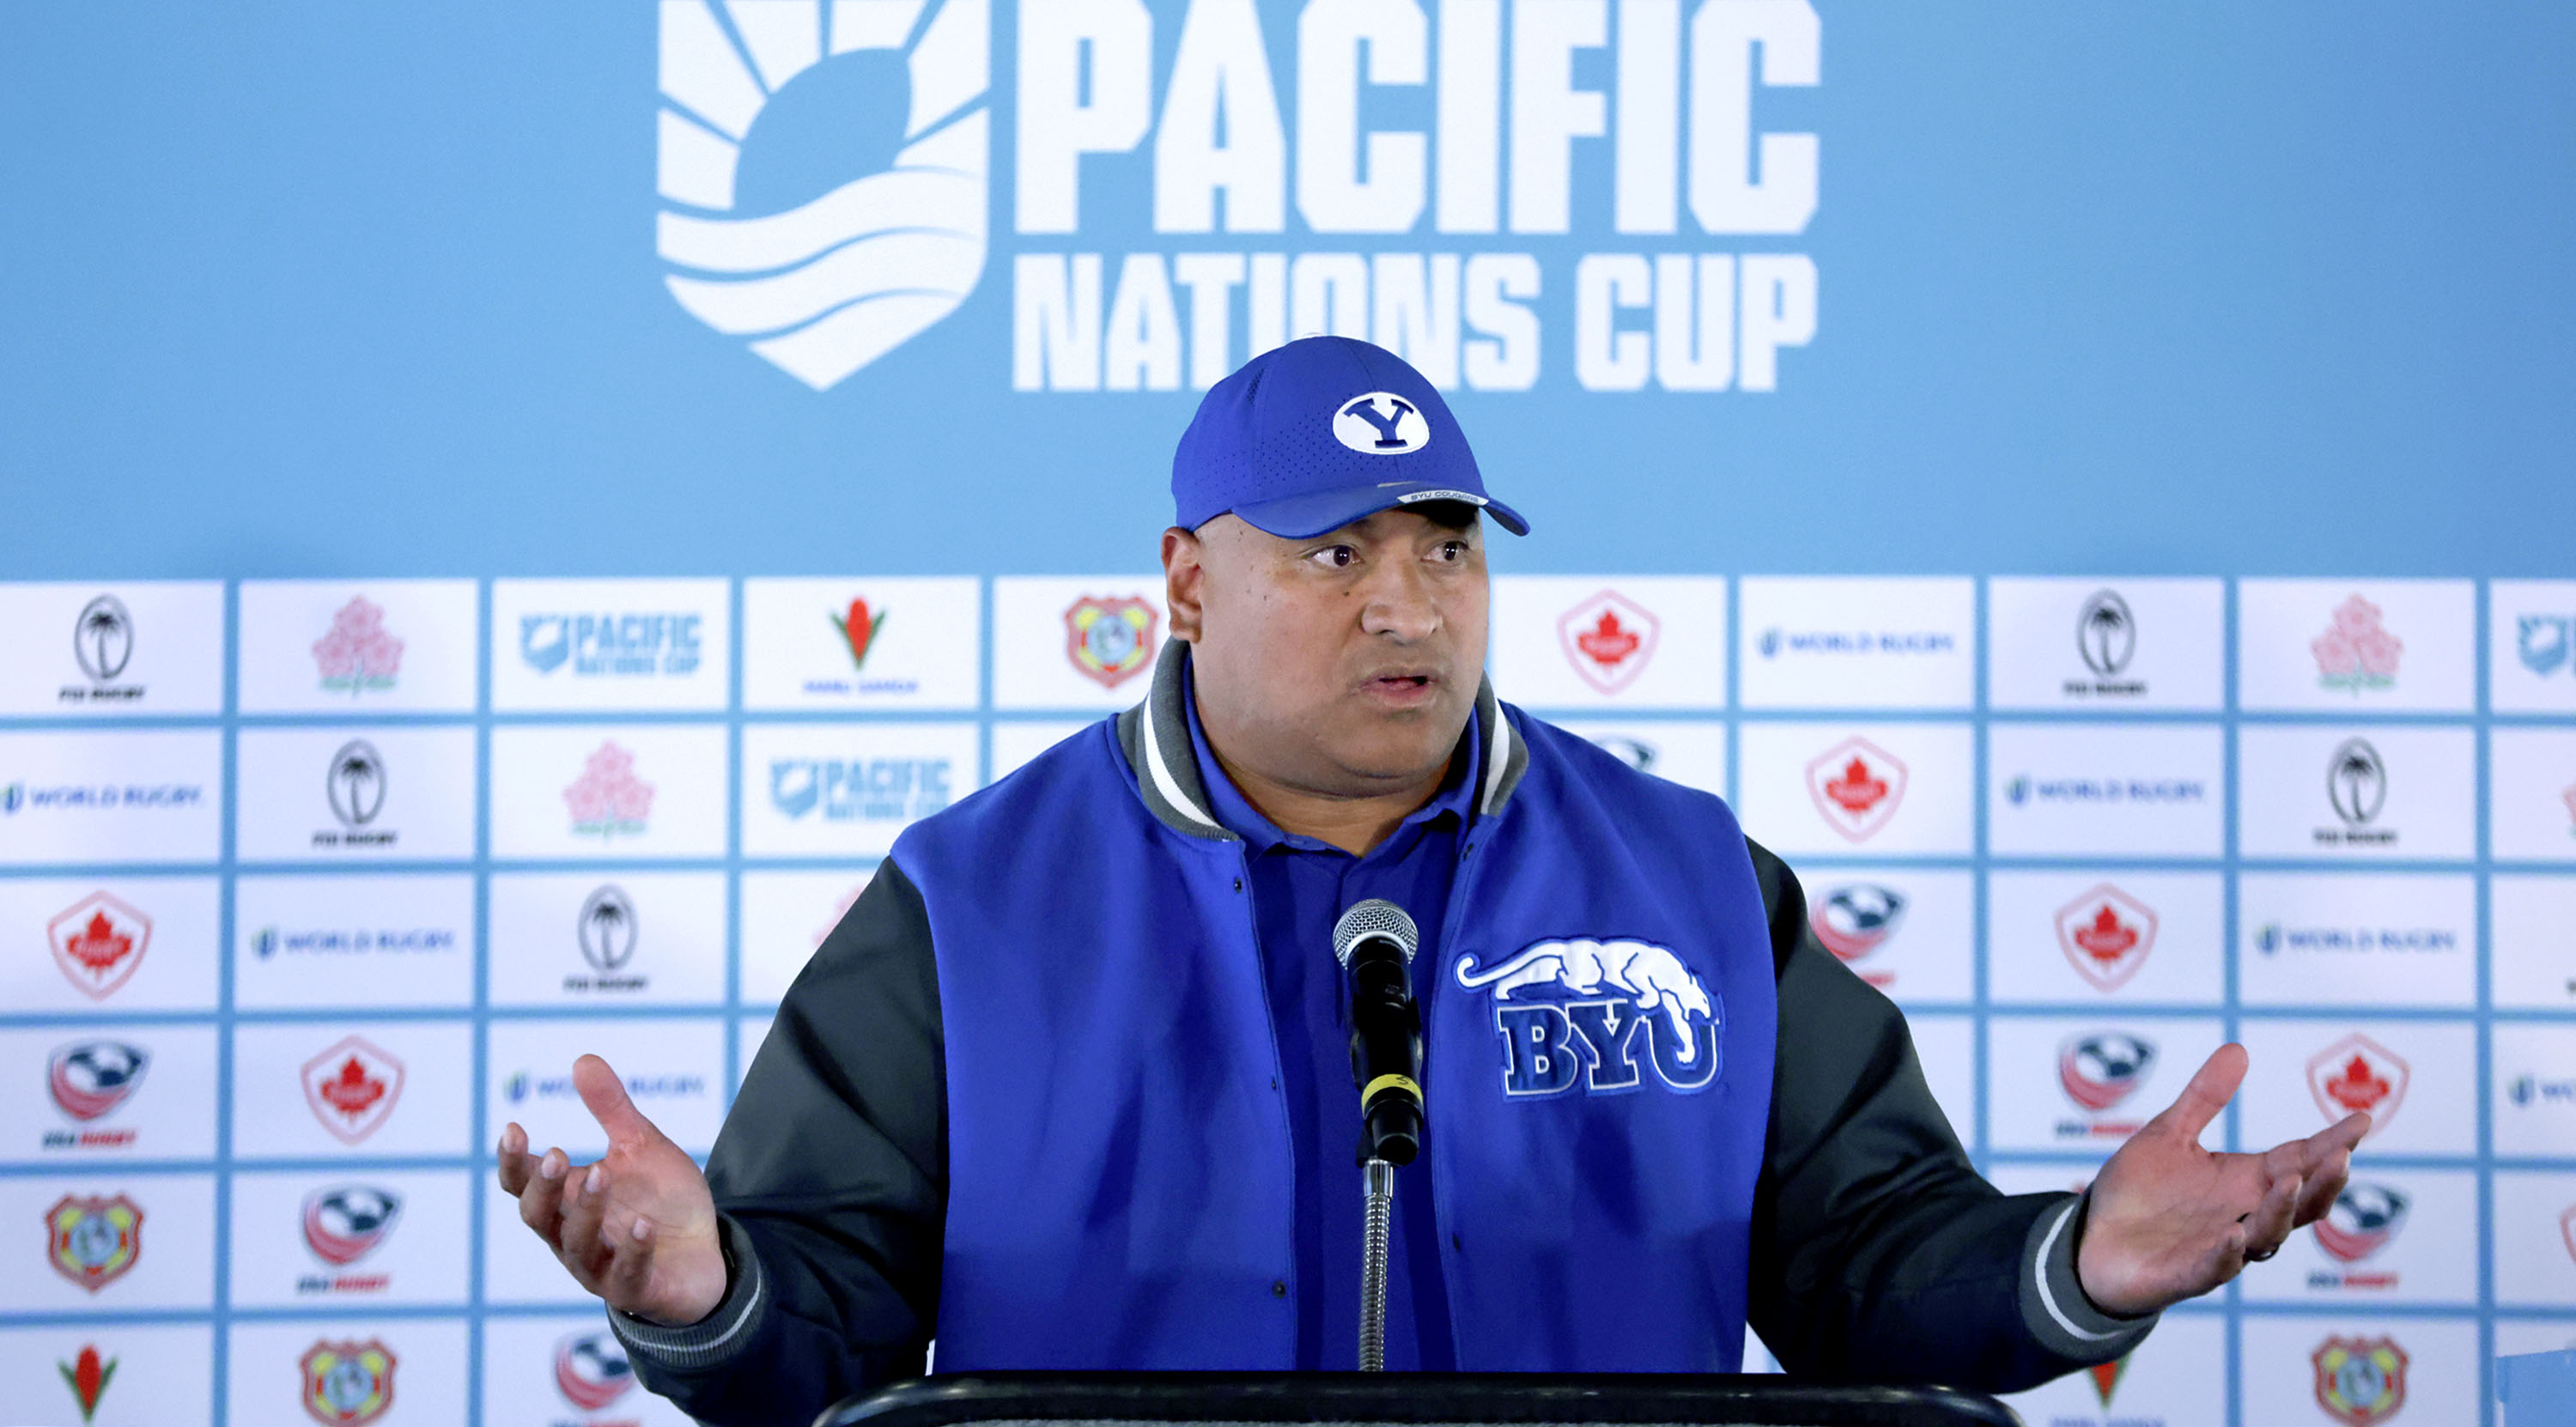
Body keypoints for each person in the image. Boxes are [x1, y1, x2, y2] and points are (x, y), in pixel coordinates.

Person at [496, 337, 2367, 1425]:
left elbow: (1871, 1268)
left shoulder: (1689, 879)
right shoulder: (971, 902)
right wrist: (705, 1285)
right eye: (1335, 550)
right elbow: (814, 1335)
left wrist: (2076, 1265)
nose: (1411, 601)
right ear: (1185, 579)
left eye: (1451, 546)